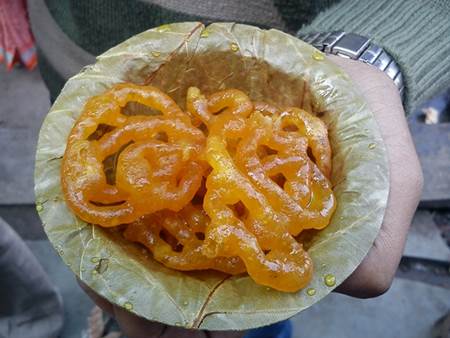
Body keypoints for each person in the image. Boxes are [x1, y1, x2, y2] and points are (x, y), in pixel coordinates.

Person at [27, 0, 448, 336]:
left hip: (312, 43)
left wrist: (371, 55)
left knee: (255, 318)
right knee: (129, 303)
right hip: (63, 44)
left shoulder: (240, 158)